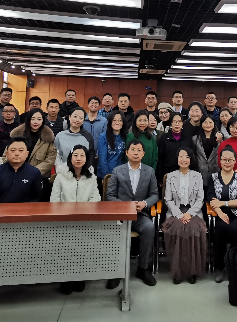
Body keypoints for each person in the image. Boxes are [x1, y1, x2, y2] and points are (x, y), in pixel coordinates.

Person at [106, 140, 159, 287]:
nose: (136, 153)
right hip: (121, 215)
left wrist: (145, 203)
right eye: (133, 149)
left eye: (139, 150)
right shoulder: (117, 171)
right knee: (114, 229)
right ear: (127, 152)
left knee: (149, 228)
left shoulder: (149, 171)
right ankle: (116, 270)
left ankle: (143, 268)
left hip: (139, 214)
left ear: (143, 154)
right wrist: (126, 206)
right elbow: (110, 196)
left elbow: (155, 194)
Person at [51, 145, 100, 294]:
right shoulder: (60, 177)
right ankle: (65, 278)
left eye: (82, 156)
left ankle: (80, 276)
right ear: (70, 158)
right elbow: (54, 200)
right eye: (75, 155)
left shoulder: (92, 178)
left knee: (83, 248)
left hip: (85, 220)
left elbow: (96, 198)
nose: (79, 159)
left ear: (87, 159)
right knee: (65, 248)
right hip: (64, 221)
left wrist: (83, 212)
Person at [163, 148, 207, 285]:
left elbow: (200, 199)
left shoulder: (197, 176)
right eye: (181, 156)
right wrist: (179, 214)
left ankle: (191, 271)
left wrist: (189, 214)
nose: (184, 159)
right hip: (175, 212)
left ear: (191, 159)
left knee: (193, 228)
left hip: (193, 211)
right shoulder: (170, 176)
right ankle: (178, 271)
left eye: (187, 156)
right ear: (177, 159)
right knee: (177, 228)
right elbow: (168, 199)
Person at [208, 146, 237, 283]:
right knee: (219, 229)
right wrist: (220, 212)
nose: (227, 162)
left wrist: (222, 203)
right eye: (224, 159)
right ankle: (220, 267)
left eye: (230, 160)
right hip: (220, 214)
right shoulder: (213, 178)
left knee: (233, 229)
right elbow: (210, 197)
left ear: (235, 161)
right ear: (220, 161)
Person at [0, 136, 46, 203]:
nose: (17, 154)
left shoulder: (35, 172)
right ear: (6, 154)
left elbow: (37, 198)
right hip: (0, 209)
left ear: (27, 154)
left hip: (25, 209)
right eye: (13, 150)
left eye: (21, 150)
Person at [12, 109, 57, 181]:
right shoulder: (17, 134)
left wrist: (33, 172)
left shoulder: (48, 137)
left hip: (38, 177)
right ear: (28, 120)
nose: (35, 122)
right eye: (32, 119)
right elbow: (7, 155)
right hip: (16, 174)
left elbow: (50, 159)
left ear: (43, 121)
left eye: (39, 119)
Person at [54, 108, 95, 172]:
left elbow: (91, 155)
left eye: (81, 118)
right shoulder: (60, 136)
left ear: (83, 121)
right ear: (69, 117)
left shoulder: (88, 136)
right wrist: (59, 169)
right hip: (63, 171)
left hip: (82, 172)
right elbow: (57, 155)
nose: (77, 120)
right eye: (75, 116)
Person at [157, 113, 193, 182]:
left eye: (179, 121)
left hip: (185, 173)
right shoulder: (164, 138)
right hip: (168, 173)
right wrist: (160, 178)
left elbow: (192, 156)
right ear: (171, 123)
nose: (177, 124)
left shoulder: (188, 137)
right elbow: (159, 158)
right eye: (174, 121)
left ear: (182, 123)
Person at [193, 116, 223, 188]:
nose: (208, 125)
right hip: (200, 171)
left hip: (215, 170)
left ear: (214, 124)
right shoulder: (195, 138)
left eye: (210, 122)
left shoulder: (219, 139)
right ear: (201, 124)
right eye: (205, 122)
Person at [98, 112, 126, 178]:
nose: (117, 123)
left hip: (121, 174)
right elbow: (102, 160)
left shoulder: (125, 137)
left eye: (120, 120)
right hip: (106, 174)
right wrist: (107, 176)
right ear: (110, 122)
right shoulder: (103, 137)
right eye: (114, 120)